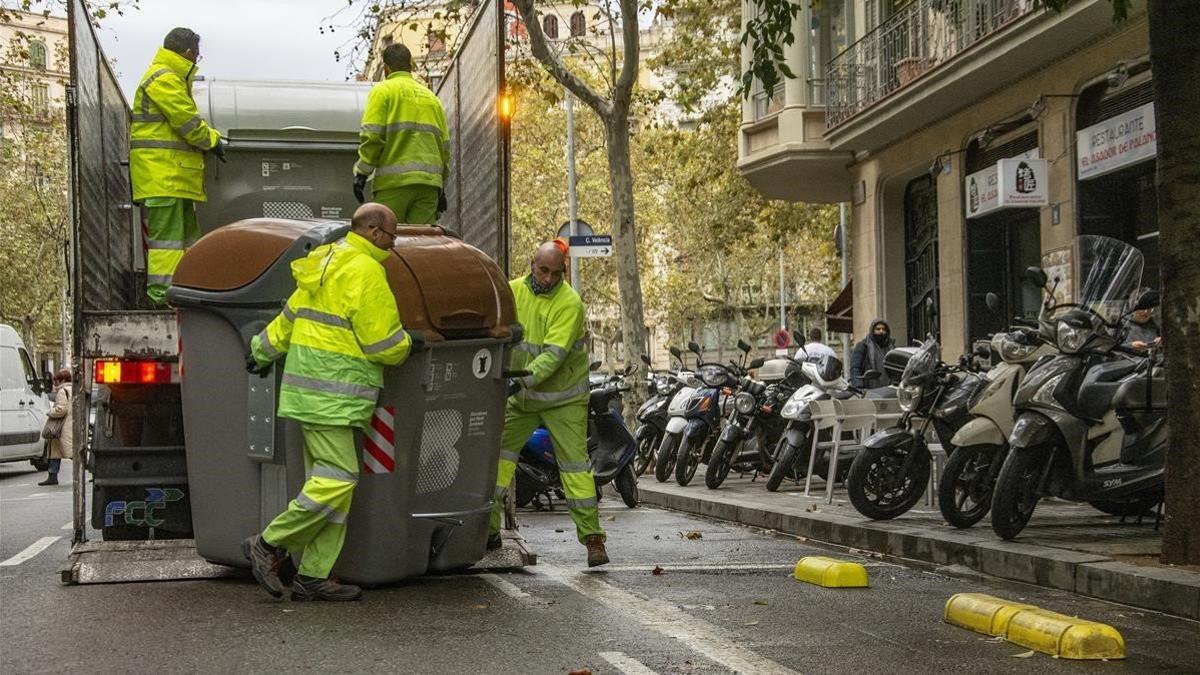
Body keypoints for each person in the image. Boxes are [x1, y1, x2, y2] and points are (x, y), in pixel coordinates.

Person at [242, 203, 415, 602]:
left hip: (309, 394)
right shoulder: (367, 272)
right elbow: (382, 345)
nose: (393, 244)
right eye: (391, 236)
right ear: (373, 231)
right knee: (339, 480)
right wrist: (409, 341)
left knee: (333, 488)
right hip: (336, 396)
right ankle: (269, 544)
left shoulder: (323, 260)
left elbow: (290, 316)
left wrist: (261, 349)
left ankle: (314, 575)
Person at [490, 242, 608, 567]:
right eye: (544, 270)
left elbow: (552, 358)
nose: (549, 278)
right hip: (522, 396)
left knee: (574, 466)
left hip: (563, 399)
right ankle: (487, 532)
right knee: (497, 460)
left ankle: (593, 540)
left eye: (556, 273)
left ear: (564, 273)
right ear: (532, 265)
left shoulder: (569, 302)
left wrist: (516, 382)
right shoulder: (512, 292)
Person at [129, 27, 226, 305]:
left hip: (171, 176)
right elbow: (188, 123)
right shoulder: (164, 79)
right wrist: (213, 141)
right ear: (187, 53)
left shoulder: (166, 77)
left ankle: (185, 288)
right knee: (167, 241)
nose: (197, 59)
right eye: (197, 54)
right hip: (163, 175)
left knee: (185, 240)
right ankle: (162, 295)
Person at [354, 43, 451, 225]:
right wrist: (441, 187)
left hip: (394, 184)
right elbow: (444, 148)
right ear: (410, 66)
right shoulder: (432, 99)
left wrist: (361, 173)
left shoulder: (382, 92)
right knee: (420, 246)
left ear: (386, 68)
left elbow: (372, 137)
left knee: (386, 242)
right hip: (428, 187)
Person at [38, 368, 73, 487]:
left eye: (56, 380)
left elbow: (61, 410)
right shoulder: (73, 389)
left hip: (62, 427)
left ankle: (52, 476)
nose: (54, 383)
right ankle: (52, 476)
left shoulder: (63, 391)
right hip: (69, 426)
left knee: (68, 452)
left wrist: (50, 412)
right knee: (57, 452)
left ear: (63, 379)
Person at [850, 318, 894, 389]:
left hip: (889, 390)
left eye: (884, 329)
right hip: (869, 391)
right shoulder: (863, 346)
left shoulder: (892, 348)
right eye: (878, 329)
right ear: (872, 330)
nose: (881, 331)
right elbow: (855, 368)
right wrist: (859, 386)